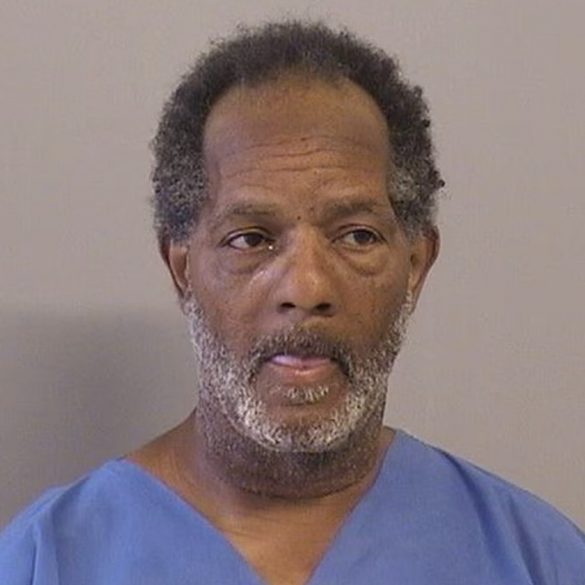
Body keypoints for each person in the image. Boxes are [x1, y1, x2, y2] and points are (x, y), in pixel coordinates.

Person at [0, 19, 583, 585]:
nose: (306, 289)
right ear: (182, 269)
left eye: (357, 236)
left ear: (414, 266)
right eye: (250, 239)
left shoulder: (540, 560)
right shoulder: (44, 562)